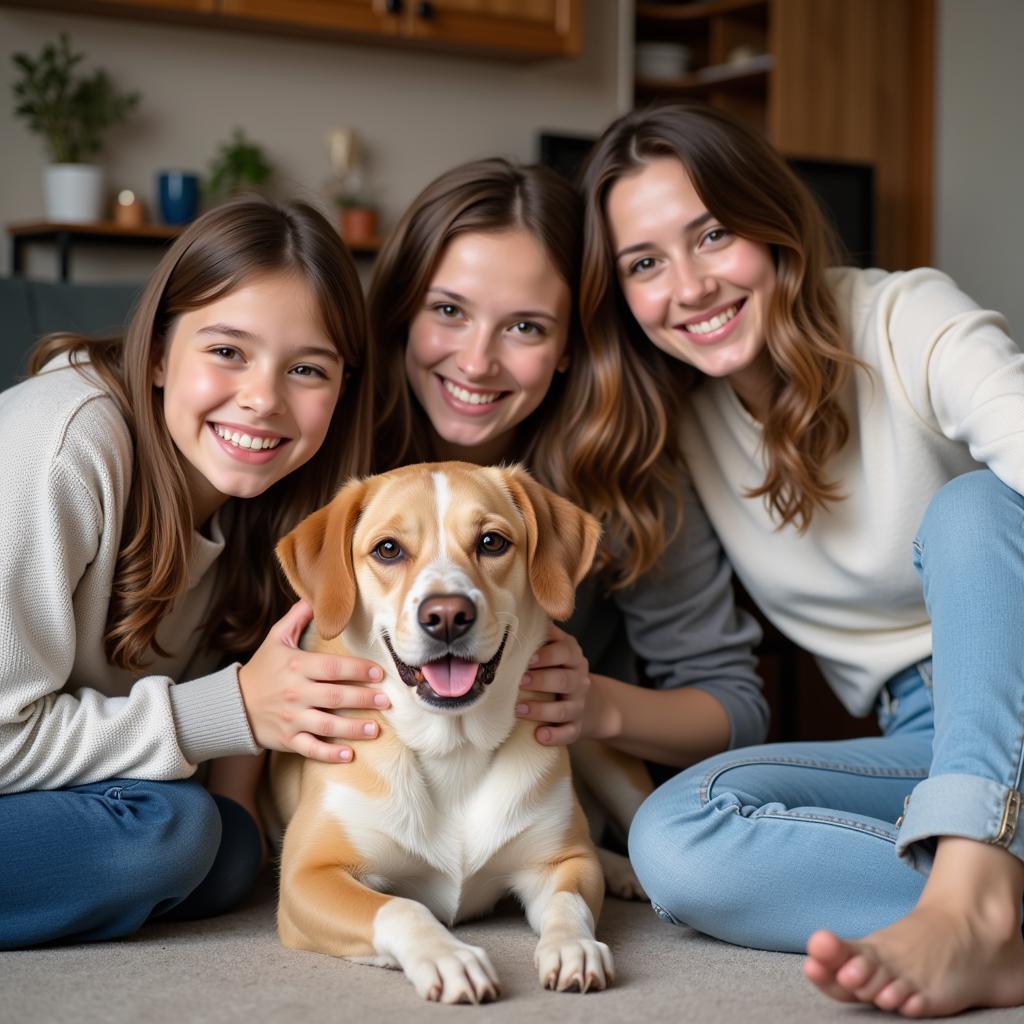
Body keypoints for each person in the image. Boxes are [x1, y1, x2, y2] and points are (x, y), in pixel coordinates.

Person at [578, 101, 1024, 1017]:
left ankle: (971, 900)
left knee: (974, 510)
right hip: (927, 739)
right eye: (646, 264)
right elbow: (722, 694)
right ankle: (984, 907)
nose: (691, 285)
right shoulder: (676, 431)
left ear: (771, 218)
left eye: (713, 234)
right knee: (677, 835)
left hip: (1010, 675)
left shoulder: (906, 318)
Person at [0, 196, 393, 949]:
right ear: (155, 351)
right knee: (173, 834)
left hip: (73, 786)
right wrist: (229, 711)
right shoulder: (64, 447)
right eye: (227, 351)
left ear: (343, 389)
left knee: (222, 847)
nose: (262, 398)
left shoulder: (278, 502)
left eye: (307, 368)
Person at [368, 157, 766, 782]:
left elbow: (734, 710)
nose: (476, 362)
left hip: (555, 807)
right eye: (449, 311)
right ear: (402, 312)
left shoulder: (626, 469)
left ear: (568, 348)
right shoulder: (336, 454)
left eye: (525, 327)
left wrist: (596, 704)